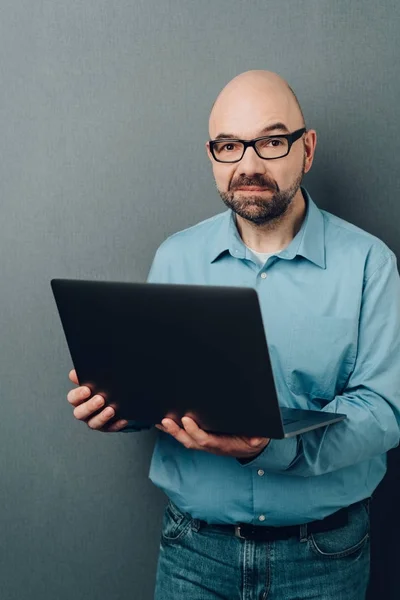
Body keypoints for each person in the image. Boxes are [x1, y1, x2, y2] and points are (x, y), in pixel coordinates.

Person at [67, 70, 400, 599]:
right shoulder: (176, 257)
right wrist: (120, 405)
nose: (247, 165)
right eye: (229, 145)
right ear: (212, 155)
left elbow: (384, 413)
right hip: (194, 555)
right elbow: (164, 389)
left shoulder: (369, 264)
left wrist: (268, 448)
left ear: (306, 149)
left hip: (323, 559)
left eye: (270, 141)